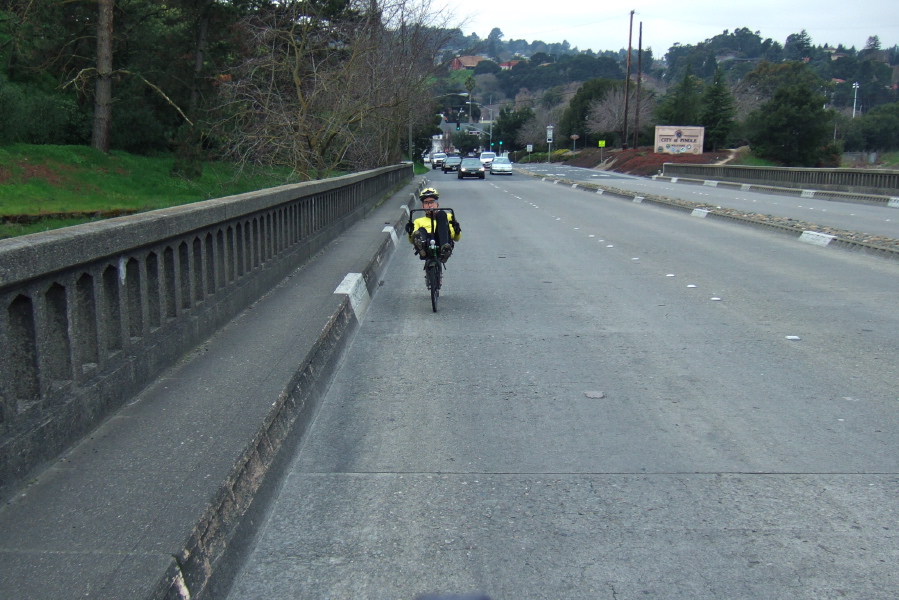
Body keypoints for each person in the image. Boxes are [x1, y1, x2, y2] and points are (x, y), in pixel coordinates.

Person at [405, 187, 461, 263]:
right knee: (420, 231)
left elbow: (456, 238)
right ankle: (422, 249)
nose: (430, 205)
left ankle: (444, 250)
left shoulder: (447, 216)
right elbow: (412, 241)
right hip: (426, 243)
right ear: (423, 206)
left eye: (432, 202)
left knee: (441, 214)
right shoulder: (418, 221)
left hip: (442, 242)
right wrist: (410, 232)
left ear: (437, 203)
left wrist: (457, 231)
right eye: (426, 203)